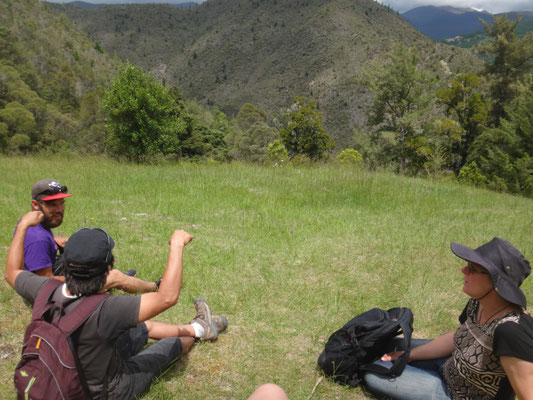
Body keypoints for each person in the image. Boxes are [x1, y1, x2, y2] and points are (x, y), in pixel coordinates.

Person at [6, 210, 227, 399]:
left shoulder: (44, 289)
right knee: (171, 346)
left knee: (140, 326)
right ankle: (198, 330)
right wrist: (177, 245)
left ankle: (200, 326)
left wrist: (24, 224)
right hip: (107, 391)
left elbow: (12, 272)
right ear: (108, 267)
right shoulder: (107, 309)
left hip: (65, 370)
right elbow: (166, 298)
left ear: (65, 267)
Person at [363, 237, 533, 400]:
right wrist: (409, 355)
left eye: (473, 269)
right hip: (450, 365)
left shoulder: (511, 331)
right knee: (385, 345)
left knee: (373, 374)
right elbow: (458, 336)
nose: (463, 270)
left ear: (497, 284)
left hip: (456, 395)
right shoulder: (479, 301)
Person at [21, 178, 157, 293]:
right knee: (115, 277)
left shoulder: (31, 223)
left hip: (46, 273)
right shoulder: (38, 238)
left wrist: (69, 243)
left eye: (61, 203)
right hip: (48, 292)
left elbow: (44, 245)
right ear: (36, 205)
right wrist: (89, 280)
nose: (59, 210)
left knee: (85, 245)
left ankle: (107, 276)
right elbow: (46, 281)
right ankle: (155, 286)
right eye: (52, 205)